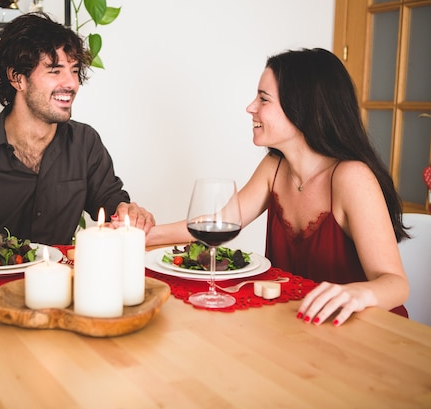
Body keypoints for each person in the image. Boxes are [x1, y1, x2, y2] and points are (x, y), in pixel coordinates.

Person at [147, 48, 409, 326]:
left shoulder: (351, 177)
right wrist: (144, 236)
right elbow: (217, 223)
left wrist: (357, 293)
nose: (251, 107)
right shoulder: (274, 168)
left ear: (302, 107)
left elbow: (396, 284)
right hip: (303, 327)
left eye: (263, 99)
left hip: (367, 331)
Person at [0, 12, 154, 245]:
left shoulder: (85, 142)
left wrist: (127, 210)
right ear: (17, 78)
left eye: (74, 70)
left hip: (61, 280)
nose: (72, 83)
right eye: (55, 70)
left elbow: (111, 201)